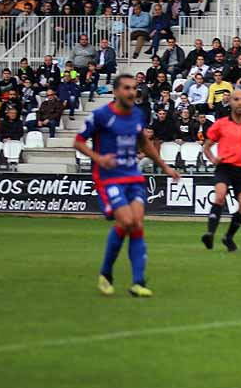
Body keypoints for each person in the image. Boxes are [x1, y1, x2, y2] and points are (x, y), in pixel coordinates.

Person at [73, 74, 181, 297]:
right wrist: (98, 158)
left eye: (134, 88)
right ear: (115, 92)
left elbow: (144, 143)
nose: (132, 92)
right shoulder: (101, 116)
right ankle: (106, 273)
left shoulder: (137, 115)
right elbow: (78, 142)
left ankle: (138, 282)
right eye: (127, 88)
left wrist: (165, 166)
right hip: (108, 177)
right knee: (128, 221)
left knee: (136, 224)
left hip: (133, 176)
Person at [201, 88, 241, 252]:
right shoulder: (221, 124)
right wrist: (214, 160)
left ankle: (228, 237)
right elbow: (206, 147)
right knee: (220, 196)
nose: (240, 102)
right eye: (236, 99)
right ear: (231, 102)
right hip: (225, 168)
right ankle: (210, 234)